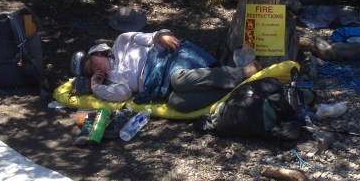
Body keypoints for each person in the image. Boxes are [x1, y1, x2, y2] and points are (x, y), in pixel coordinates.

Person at [74, 30, 262, 112]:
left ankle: (241, 73)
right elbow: (123, 95)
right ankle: (235, 89)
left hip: (168, 58)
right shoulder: (111, 81)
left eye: (92, 64)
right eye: (90, 72)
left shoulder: (121, 42)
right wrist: (96, 86)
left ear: (97, 52)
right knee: (177, 102)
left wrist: (162, 35)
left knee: (178, 80)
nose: (94, 69)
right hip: (159, 85)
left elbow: (152, 36)